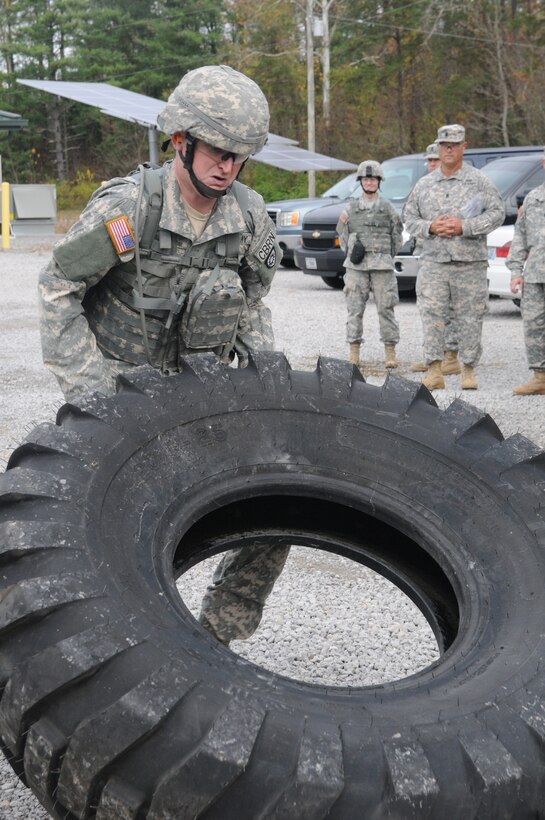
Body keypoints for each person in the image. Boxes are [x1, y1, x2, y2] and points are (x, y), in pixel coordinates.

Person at [38, 64, 289, 647]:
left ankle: (215, 640)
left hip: (199, 399)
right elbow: (58, 289)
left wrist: (265, 392)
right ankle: (110, 646)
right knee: (94, 533)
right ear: (182, 141)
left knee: (277, 505)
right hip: (120, 400)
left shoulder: (249, 216)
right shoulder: (131, 210)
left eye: (239, 156)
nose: (227, 166)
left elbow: (252, 303)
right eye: (217, 151)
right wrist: (93, 400)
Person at [403, 124, 505, 390]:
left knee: (471, 316)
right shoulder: (424, 184)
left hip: (468, 263)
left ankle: (468, 369)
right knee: (432, 315)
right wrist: (430, 227)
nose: (448, 149)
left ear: (464, 146)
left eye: (454, 144)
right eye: (444, 145)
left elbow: (497, 213)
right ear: (438, 148)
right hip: (434, 262)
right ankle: (435, 370)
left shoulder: (479, 181)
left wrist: (465, 227)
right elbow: (409, 217)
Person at [337, 160, 403, 369]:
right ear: (361, 182)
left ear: (379, 181)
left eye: (373, 179)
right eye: (366, 179)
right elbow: (341, 231)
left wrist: (388, 255)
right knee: (354, 309)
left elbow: (397, 234)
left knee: (386, 308)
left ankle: (390, 351)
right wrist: (350, 251)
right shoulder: (351, 208)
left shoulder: (387, 208)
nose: (369, 182)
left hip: (382, 265)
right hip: (357, 267)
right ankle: (354, 350)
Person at [410, 142, 460, 375]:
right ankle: (433, 355)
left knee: (449, 307)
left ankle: (450, 356)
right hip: (428, 256)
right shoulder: (423, 188)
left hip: (451, 257)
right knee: (428, 307)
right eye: (429, 161)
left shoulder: (454, 189)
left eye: (435, 160)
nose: (432, 165)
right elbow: (411, 219)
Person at [507, 152, 545, 395]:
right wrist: (515, 271)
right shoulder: (534, 198)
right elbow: (520, 237)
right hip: (535, 274)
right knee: (533, 325)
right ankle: (540, 376)